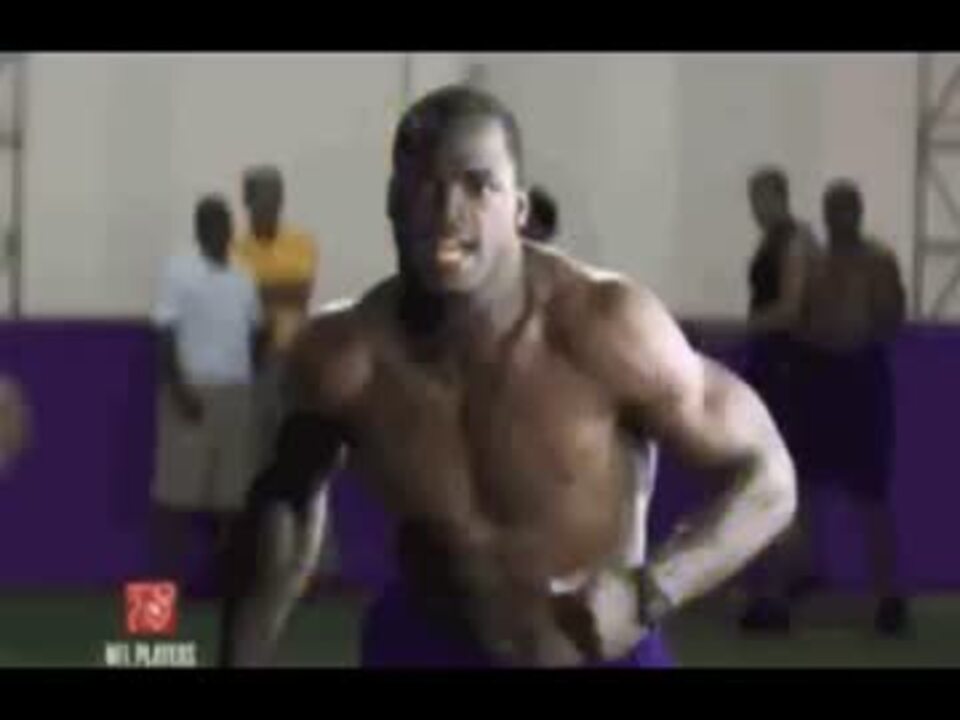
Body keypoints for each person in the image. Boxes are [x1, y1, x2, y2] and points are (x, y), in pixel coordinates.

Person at [220, 85, 797, 668]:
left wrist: (651, 591)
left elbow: (770, 477)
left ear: (519, 209)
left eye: (479, 185)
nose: (449, 211)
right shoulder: (342, 358)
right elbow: (286, 505)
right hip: (426, 648)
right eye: (426, 185)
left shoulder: (607, 328)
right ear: (393, 201)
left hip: (598, 654)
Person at [796, 179, 909, 635]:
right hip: (819, 375)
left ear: (859, 212)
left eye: (846, 208)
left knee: (871, 495)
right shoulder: (815, 263)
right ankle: (803, 576)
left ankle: (887, 595)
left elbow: (891, 319)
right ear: (825, 214)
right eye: (832, 208)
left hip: (862, 376)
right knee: (804, 485)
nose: (839, 216)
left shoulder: (878, 260)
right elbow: (802, 318)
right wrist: (819, 339)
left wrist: (855, 335)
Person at [152, 195, 265, 586]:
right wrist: (177, 387)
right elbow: (165, 333)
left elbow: (257, 332)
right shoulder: (178, 271)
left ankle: (225, 585)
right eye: (213, 224)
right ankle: (161, 591)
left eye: (225, 224)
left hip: (236, 392)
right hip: (190, 391)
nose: (222, 231)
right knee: (174, 497)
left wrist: (248, 378)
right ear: (199, 230)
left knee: (232, 499)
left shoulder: (244, 275)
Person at [739, 166, 820, 632]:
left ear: (778, 196)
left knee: (772, 477)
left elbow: (790, 308)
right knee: (770, 476)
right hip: (772, 364)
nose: (755, 208)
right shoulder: (776, 241)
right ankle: (794, 574)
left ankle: (779, 592)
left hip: (785, 367)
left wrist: (745, 326)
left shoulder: (793, 241)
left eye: (760, 198)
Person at [232, 166, 318, 464]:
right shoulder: (234, 250)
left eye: (275, 196)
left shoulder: (301, 244)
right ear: (247, 200)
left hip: (294, 358)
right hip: (252, 360)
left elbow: (300, 293)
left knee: (295, 450)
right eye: (262, 196)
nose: (270, 203)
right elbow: (239, 302)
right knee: (254, 450)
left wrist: (255, 290)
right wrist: (276, 290)